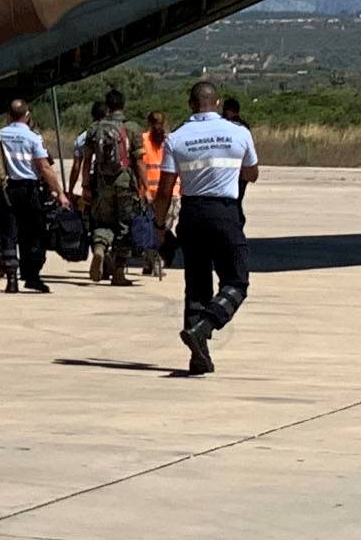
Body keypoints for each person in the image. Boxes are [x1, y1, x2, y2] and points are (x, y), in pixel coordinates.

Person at [162, 81, 260, 375]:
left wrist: (158, 224)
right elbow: (252, 173)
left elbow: (166, 189)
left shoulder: (176, 138)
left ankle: (197, 357)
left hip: (191, 214)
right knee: (236, 280)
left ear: (192, 104)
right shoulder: (238, 133)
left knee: (196, 287)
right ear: (216, 103)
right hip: (223, 213)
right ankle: (206, 326)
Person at [0, 97, 67, 293]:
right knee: (34, 233)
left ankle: (11, 279)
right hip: (29, 190)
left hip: (5, 190)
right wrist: (59, 192)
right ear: (27, 115)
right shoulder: (33, 138)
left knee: (8, 233)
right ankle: (32, 276)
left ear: (8, 116)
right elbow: (44, 167)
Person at [72, 93, 141, 287]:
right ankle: (119, 272)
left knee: (102, 220)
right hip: (126, 184)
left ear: (108, 106)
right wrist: (144, 187)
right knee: (124, 225)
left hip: (101, 184)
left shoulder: (95, 129)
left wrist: (85, 185)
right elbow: (139, 162)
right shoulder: (132, 128)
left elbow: (86, 161)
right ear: (123, 104)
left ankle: (100, 247)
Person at [131, 109, 174, 281]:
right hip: (169, 191)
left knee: (149, 228)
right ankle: (157, 259)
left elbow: (138, 164)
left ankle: (150, 260)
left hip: (147, 191)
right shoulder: (170, 140)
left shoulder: (142, 140)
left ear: (148, 122)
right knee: (163, 228)